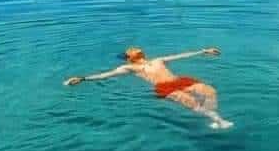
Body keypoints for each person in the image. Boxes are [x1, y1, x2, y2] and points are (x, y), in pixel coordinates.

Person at [64, 47, 233, 129]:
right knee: (193, 104)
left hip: (180, 81)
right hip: (165, 88)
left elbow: (179, 56)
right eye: (131, 53)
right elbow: (105, 75)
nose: (134, 51)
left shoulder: (158, 60)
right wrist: (83, 78)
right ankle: (218, 120)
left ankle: (214, 116)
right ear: (133, 58)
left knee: (210, 91)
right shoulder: (130, 68)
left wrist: (203, 51)